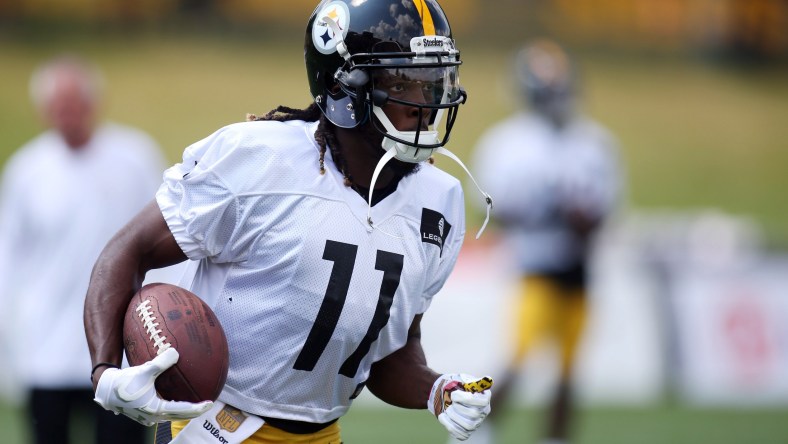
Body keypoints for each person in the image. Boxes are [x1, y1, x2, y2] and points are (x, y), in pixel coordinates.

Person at [83, 1, 495, 443]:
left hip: (323, 435)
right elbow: (127, 251)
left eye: (433, 81)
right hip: (216, 428)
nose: (425, 103)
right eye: (404, 82)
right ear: (347, 87)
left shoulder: (439, 202)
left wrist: (435, 389)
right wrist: (106, 371)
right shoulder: (261, 160)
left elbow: (389, 355)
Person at [0, 54, 171, 443]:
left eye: (74, 104)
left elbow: (166, 239)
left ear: (93, 104)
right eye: (58, 106)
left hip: (123, 350)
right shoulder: (26, 172)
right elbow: (8, 259)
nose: (67, 115)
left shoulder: (135, 157)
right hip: (46, 352)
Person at [466, 40, 624, 444]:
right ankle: (476, 433)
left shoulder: (595, 143)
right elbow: (491, 207)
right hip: (532, 263)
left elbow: (607, 209)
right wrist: (539, 211)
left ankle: (554, 439)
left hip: (578, 267)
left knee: (570, 372)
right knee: (517, 359)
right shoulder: (508, 143)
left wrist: (581, 218)